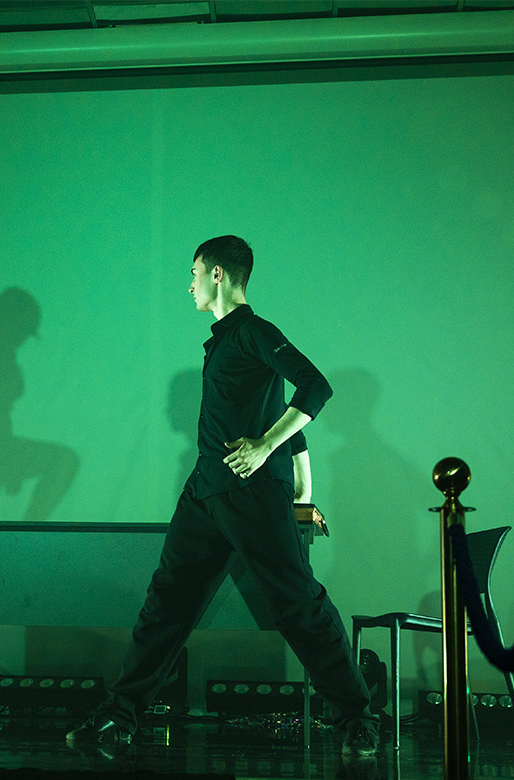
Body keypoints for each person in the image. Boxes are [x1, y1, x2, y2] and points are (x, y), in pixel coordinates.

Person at [67, 235, 379, 756]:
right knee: (167, 603)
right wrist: (291, 468)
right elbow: (274, 410)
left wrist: (266, 448)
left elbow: (315, 387)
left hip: (250, 492)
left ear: (217, 273)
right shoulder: (222, 341)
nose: (188, 284)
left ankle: (357, 718)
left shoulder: (253, 330)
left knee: (297, 604)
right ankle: (119, 716)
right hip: (206, 489)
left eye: (193, 273)